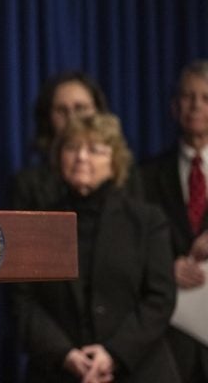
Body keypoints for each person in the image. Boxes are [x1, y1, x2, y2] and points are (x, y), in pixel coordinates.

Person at [14, 113, 179, 383]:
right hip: (57, 370)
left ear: (115, 162)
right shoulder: (36, 224)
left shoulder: (147, 221)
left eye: (94, 149)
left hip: (137, 369)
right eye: (72, 148)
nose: (81, 157)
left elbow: (160, 299)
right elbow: (22, 303)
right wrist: (65, 354)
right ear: (58, 158)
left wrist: (113, 354)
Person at [139, 60, 208, 383]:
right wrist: (165, 267)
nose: (196, 106)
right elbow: (130, 247)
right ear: (173, 106)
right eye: (188, 96)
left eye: (206, 98)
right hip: (170, 338)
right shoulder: (145, 175)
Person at [11, 71, 142, 210]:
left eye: (80, 108)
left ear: (98, 110)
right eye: (62, 110)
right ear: (48, 116)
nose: (72, 118)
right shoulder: (29, 185)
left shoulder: (128, 178)